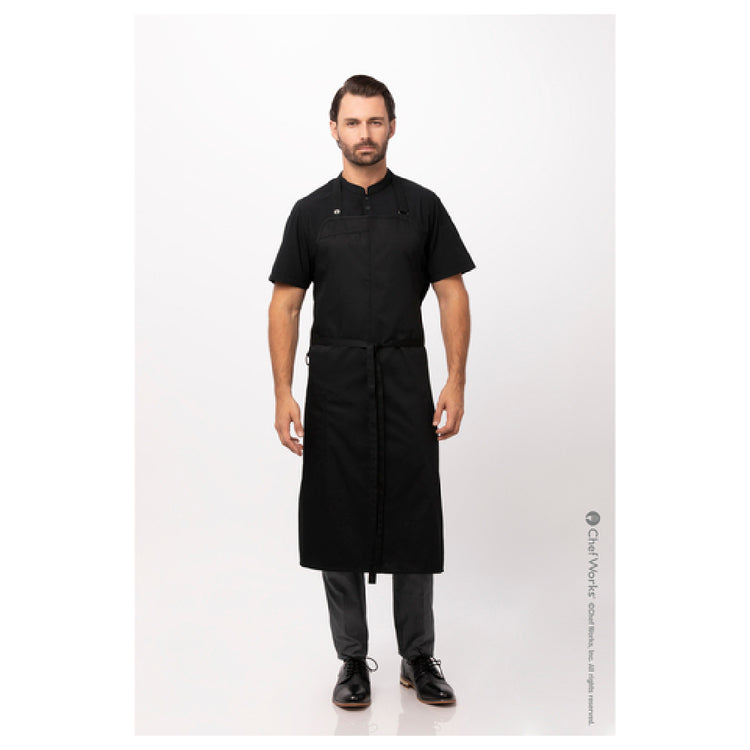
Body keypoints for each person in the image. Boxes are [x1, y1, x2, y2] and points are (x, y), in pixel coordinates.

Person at [268, 74, 475, 709]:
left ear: (392, 127)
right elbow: (285, 304)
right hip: (334, 385)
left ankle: (418, 656)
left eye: (375, 121)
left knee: (414, 515)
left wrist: (456, 379)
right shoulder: (309, 213)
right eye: (353, 122)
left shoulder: (422, 206)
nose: (365, 133)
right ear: (334, 129)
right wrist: (283, 391)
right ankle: (352, 660)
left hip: (405, 379)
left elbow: (451, 294)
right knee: (337, 519)